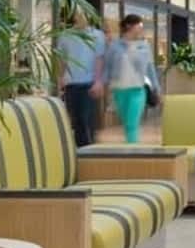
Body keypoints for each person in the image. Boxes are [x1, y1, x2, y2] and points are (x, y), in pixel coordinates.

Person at [101, 14, 160, 144]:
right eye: (139, 26)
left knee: (132, 123)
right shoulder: (114, 46)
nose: (141, 29)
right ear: (129, 26)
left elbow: (150, 68)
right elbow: (107, 67)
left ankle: (133, 149)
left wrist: (157, 88)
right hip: (119, 90)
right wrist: (101, 84)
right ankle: (130, 147)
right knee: (127, 124)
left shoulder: (144, 46)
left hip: (138, 90)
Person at [56, 8, 104, 151]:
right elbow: (61, 59)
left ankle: (86, 149)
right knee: (76, 119)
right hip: (71, 83)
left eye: (83, 13)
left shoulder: (97, 35)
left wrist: (98, 81)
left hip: (89, 82)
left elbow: (99, 59)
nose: (81, 16)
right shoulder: (65, 35)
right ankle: (83, 149)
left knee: (84, 118)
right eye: (78, 13)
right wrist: (60, 78)